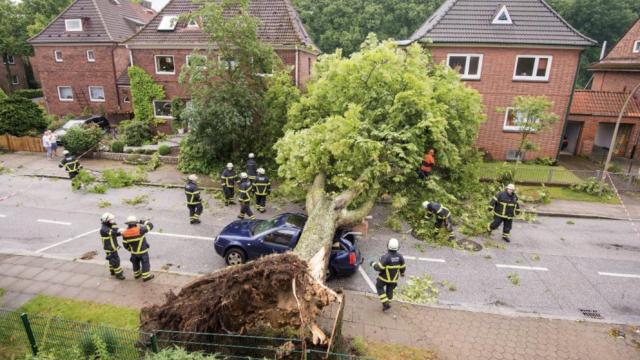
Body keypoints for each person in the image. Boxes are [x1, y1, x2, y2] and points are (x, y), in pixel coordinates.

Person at [370, 238, 406, 311]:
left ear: (387, 246)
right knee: (390, 290)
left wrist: (373, 264)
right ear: (398, 247)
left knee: (379, 286)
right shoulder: (400, 257)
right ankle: (388, 303)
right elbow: (403, 267)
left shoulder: (385, 257)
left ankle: (385, 303)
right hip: (393, 279)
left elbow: (379, 268)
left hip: (383, 278)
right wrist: (402, 273)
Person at [121, 216, 155, 281]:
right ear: (135, 223)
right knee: (145, 263)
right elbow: (150, 225)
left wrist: (130, 249)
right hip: (143, 252)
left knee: (135, 263)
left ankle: (137, 275)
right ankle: (146, 277)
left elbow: (125, 244)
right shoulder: (140, 230)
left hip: (134, 253)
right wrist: (142, 221)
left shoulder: (125, 233)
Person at [100, 213, 125, 280]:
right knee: (116, 261)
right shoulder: (104, 229)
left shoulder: (107, 227)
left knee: (111, 260)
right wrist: (114, 224)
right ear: (107, 220)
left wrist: (121, 233)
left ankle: (112, 271)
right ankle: (119, 274)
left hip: (110, 247)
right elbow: (113, 232)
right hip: (110, 248)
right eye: (111, 220)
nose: (112, 221)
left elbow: (114, 234)